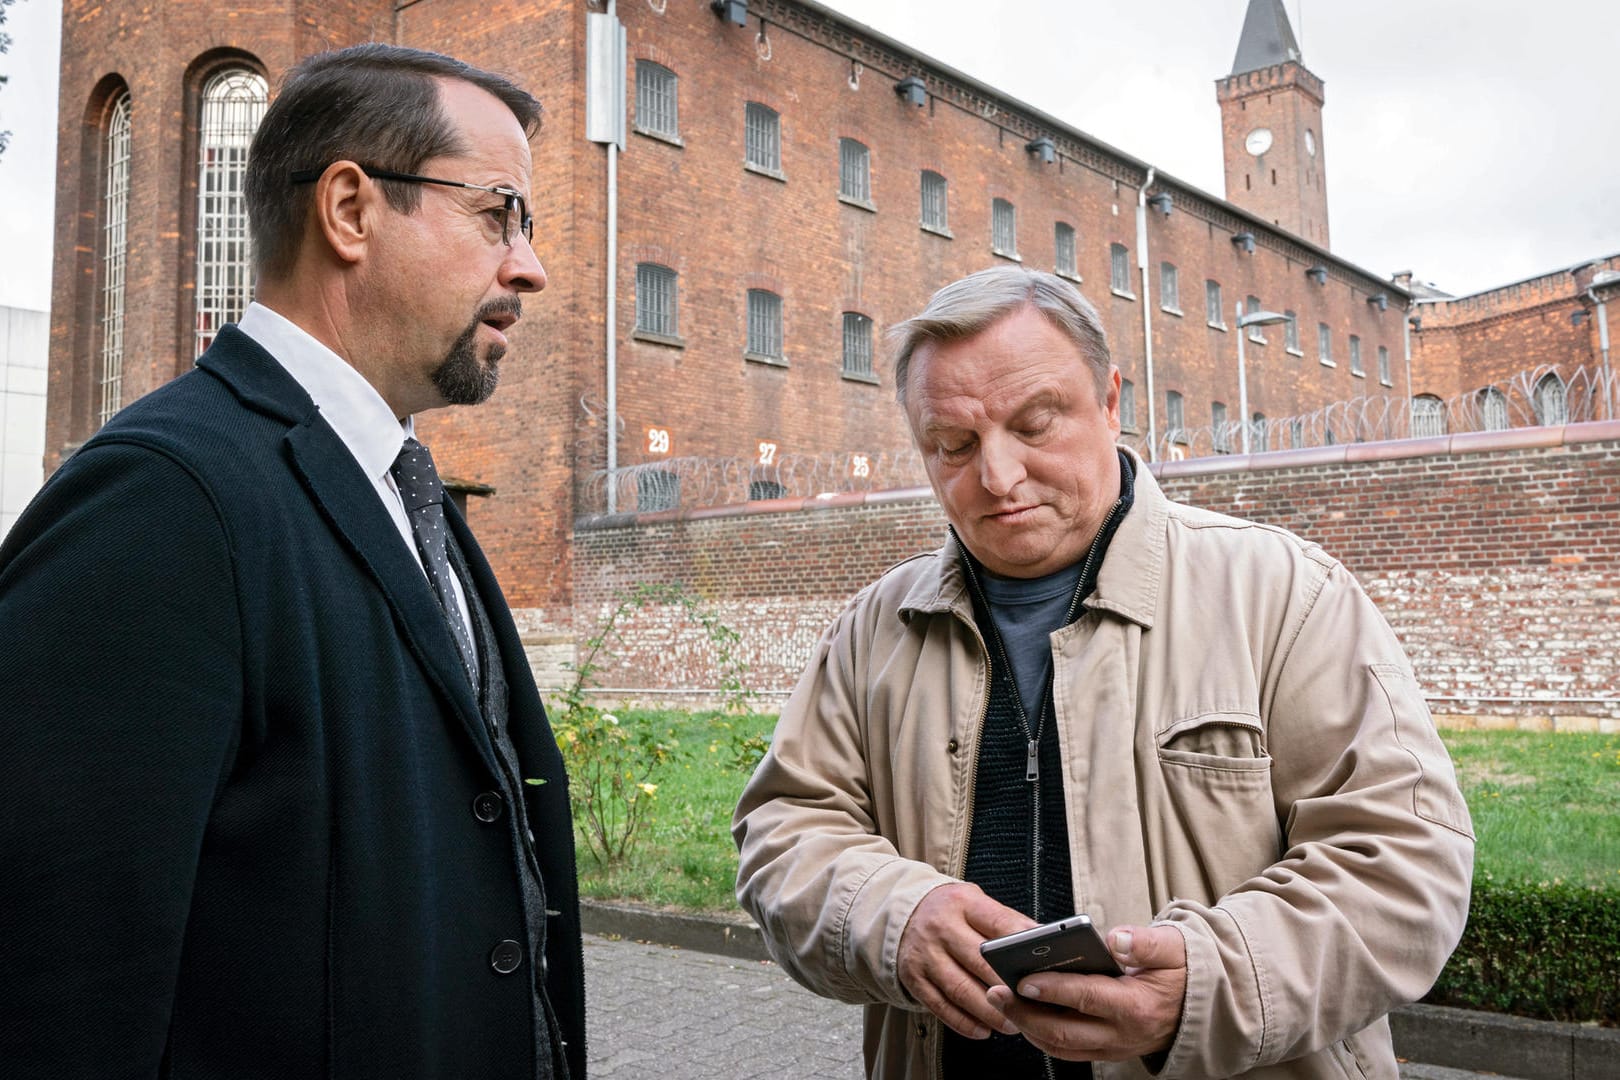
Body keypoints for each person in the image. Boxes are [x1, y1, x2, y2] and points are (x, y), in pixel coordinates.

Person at [0, 44, 585, 1079]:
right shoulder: (160, 502)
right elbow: (58, 988)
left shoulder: (402, 486)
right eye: (499, 213)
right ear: (351, 210)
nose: (529, 265)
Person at [733, 266, 1474, 1080]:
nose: (998, 476)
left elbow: (1404, 864)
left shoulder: (1285, 596)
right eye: (953, 445)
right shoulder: (872, 629)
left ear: (1110, 399)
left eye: (1036, 423)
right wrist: (889, 916)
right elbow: (785, 834)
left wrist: (1208, 984)